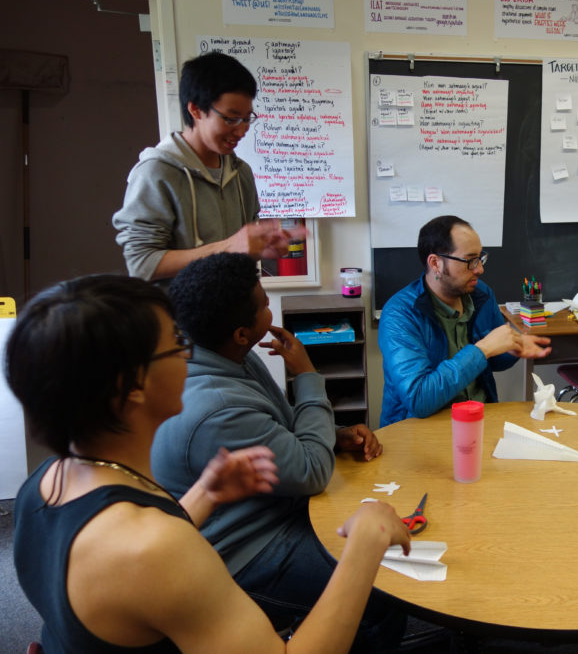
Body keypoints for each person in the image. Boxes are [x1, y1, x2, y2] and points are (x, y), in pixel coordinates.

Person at [8, 274, 410, 653]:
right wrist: (365, 543)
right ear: (133, 387)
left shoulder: (45, 482)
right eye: (177, 343)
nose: (192, 356)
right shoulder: (158, 548)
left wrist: (203, 496)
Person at [151, 252, 382, 630]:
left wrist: (336, 437)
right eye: (264, 306)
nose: (269, 311)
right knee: (374, 585)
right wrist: (307, 374)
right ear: (242, 333)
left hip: (275, 510)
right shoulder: (218, 406)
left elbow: (279, 429)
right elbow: (311, 471)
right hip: (250, 551)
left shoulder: (224, 354)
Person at [112, 51, 294, 283]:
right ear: (196, 109)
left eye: (247, 118)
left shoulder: (241, 173)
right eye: (231, 118)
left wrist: (262, 249)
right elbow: (142, 264)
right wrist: (228, 247)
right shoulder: (156, 172)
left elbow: (241, 252)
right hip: (182, 318)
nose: (241, 130)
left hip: (235, 313)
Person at [378, 215, 552, 427]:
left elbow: (494, 361)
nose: (480, 269)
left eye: (481, 258)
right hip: (420, 430)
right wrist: (483, 349)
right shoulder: (400, 314)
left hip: (479, 418)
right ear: (436, 263)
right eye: (470, 260)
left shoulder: (480, 294)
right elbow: (419, 399)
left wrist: (512, 348)